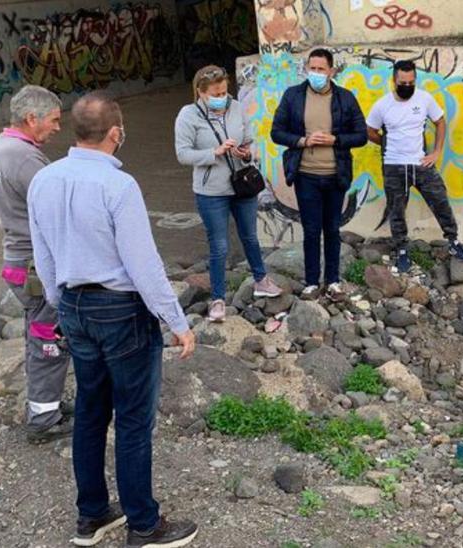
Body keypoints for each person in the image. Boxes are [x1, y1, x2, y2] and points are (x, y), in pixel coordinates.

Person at [29, 93, 200, 548]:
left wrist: (58, 305)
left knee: (89, 409)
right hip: (120, 309)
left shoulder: (44, 180)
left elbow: (42, 255)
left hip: (73, 305)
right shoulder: (118, 187)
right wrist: (177, 321)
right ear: (116, 133)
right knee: (132, 419)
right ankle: (144, 524)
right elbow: (144, 265)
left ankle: (92, 515)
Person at [0, 85, 71, 445]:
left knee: (38, 333)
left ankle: (44, 403)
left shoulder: (2, 147)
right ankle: (43, 416)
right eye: (53, 120)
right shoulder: (25, 159)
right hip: (33, 264)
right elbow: (55, 208)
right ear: (31, 118)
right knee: (48, 338)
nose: (56, 128)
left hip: (17, 259)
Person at [175, 64, 281, 322]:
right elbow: (182, 153)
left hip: (241, 183)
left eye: (224, 91)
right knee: (219, 246)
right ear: (201, 92)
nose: (222, 97)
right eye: (216, 93)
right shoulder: (188, 115)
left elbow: (251, 139)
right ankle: (218, 299)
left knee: (250, 237)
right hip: (211, 191)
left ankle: (261, 280)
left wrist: (247, 151)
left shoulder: (235, 107)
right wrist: (215, 152)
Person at [270, 48, 367, 300]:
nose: (315, 73)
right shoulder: (293, 96)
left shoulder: (345, 98)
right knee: (311, 230)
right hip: (306, 176)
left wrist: (336, 139)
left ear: (331, 71)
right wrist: (302, 140)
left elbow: (361, 136)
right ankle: (312, 282)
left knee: (332, 229)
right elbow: (276, 132)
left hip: (336, 175)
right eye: (311, 68)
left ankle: (333, 281)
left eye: (320, 69)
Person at [366, 60, 463, 271]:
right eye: (403, 82)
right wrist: (387, 144)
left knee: (440, 200)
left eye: (411, 82)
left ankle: (453, 241)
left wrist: (437, 152)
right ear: (394, 80)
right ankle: (402, 249)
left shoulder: (424, 99)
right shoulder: (382, 105)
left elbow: (440, 121)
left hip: (421, 164)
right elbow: (370, 130)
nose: (407, 86)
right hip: (393, 165)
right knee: (396, 210)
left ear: (415, 79)